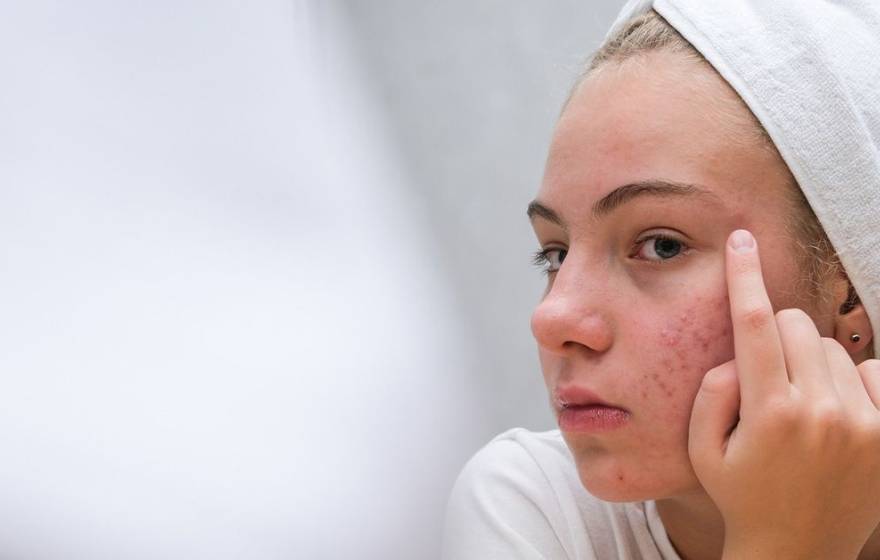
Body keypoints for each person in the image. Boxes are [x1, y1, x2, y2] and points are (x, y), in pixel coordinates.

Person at [441, 1, 880, 558]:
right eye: (554, 255)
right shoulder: (537, 507)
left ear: (850, 292)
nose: (551, 318)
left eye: (661, 246)